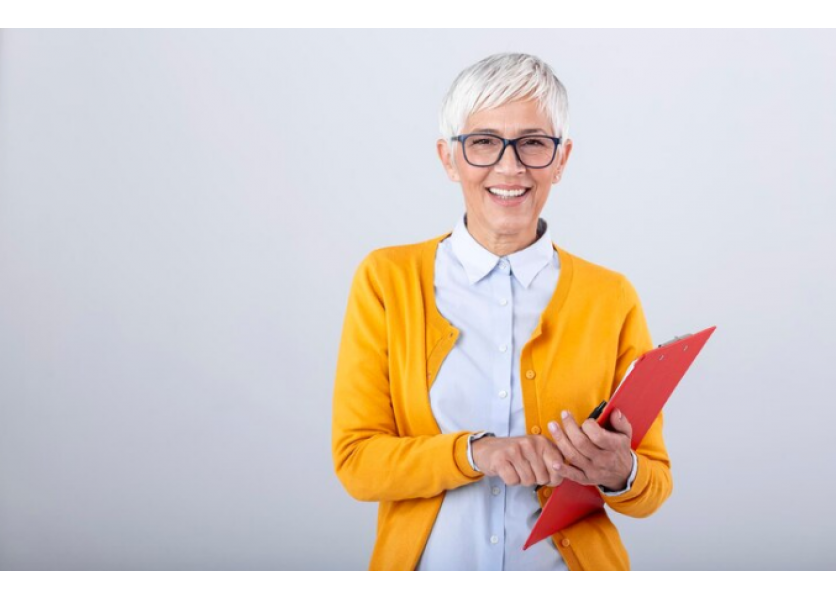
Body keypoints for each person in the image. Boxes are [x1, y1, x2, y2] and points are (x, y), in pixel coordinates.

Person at [331, 52, 672, 571]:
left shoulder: (612, 297)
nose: (509, 167)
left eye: (533, 143)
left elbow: (652, 486)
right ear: (449, 159)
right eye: (484, 142)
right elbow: (357, 463)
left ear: (561, 159)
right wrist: (477, 452)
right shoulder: (387, 280)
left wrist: (619, 469)